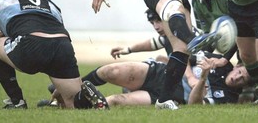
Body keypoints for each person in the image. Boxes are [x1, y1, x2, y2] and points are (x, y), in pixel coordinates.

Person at [0, 0, 108, 109]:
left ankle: (16, 101)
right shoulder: (49, 2)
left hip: (29, 45)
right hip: (62, 45)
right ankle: (88, 98)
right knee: (72, 102)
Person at [76, 51, 244, 107]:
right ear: (237, 66)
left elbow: (194, 104)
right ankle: (73, 90)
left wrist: (203, 78)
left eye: (243, 79)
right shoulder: (220, 61)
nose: (238, 78)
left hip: (167, 97)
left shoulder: (229, 97)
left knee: (115, 100)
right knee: (111, 71)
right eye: (240, 72)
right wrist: (191, 76)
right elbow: (181, 56)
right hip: (160, 74)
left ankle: (76, 104)